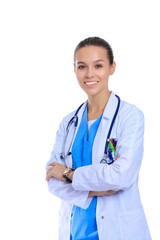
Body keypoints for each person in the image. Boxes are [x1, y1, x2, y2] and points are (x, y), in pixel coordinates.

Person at [46, 37, 151, 240]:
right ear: (74, 70)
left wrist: (68, 174)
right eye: (82, 66)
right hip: (74, 232)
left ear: (112, 67)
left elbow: (122, 177)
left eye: (98, 65)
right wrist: (95, 190)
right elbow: (52, 178)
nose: (90, 74)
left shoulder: (130, 116)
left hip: (118, 232)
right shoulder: (68, 122)